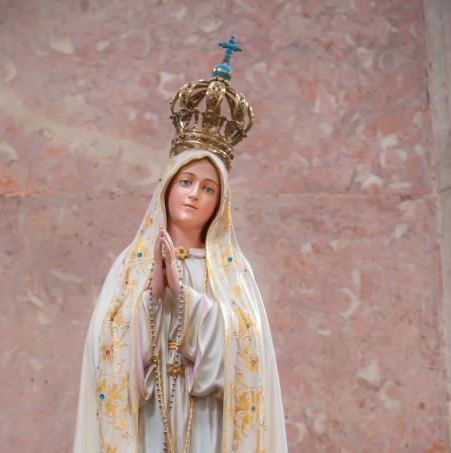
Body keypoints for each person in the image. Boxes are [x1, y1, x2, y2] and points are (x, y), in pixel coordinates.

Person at [73, 36, 288, 453]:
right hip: (148, 421)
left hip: (207, 424)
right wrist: (151, 297)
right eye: (187, 182)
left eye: (208, 188)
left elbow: (249, 356)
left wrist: (186, 296)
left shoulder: (233, 272)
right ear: (167, 187)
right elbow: (105, 347)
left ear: (220, 203)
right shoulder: (132, 265)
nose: (194, 195)